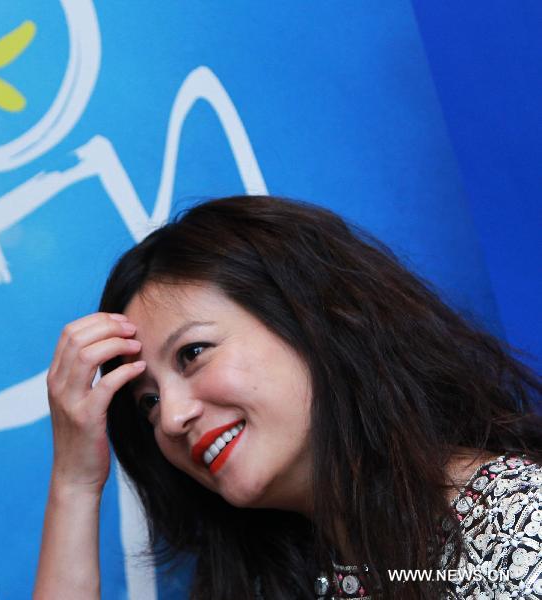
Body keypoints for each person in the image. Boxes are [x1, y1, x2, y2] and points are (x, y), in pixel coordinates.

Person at [33, 196, 542, 599]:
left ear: (312, 319)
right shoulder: (310, 573)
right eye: (148, 403)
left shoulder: (517, 524)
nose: (171, 417)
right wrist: (75, 482)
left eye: (192, 353)